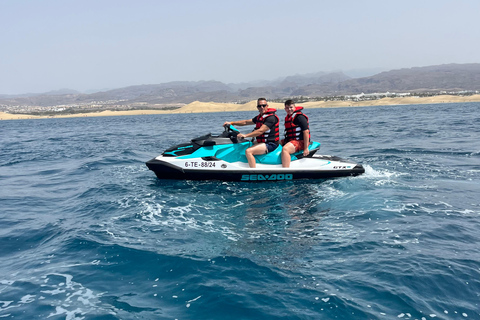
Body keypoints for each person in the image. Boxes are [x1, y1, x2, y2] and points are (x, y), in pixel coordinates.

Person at [223, 98, 279, 168]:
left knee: (248, 151)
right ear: (257, 107)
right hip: (262, 142)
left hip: (271, 144)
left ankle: (253, 171)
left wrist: (245, 135)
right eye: (259, 106)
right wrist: (231, 123)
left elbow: (260, 131)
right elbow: (246, 122)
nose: (262, 107)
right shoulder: (260, 117)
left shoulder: (271, 118)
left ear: (267, 106)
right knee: (245, 144)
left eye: (264, 105)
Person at [281, 99, 310, 168]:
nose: (289, 109)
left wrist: (306, 148)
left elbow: (306, 132)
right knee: (275, 143)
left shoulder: (300, 117)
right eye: (287, 108)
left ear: (294, 107)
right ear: (285, 109)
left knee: (285, 149)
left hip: (301, 142)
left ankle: (285, 169)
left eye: (291, 107)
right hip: (292, 140)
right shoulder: (289, 117)